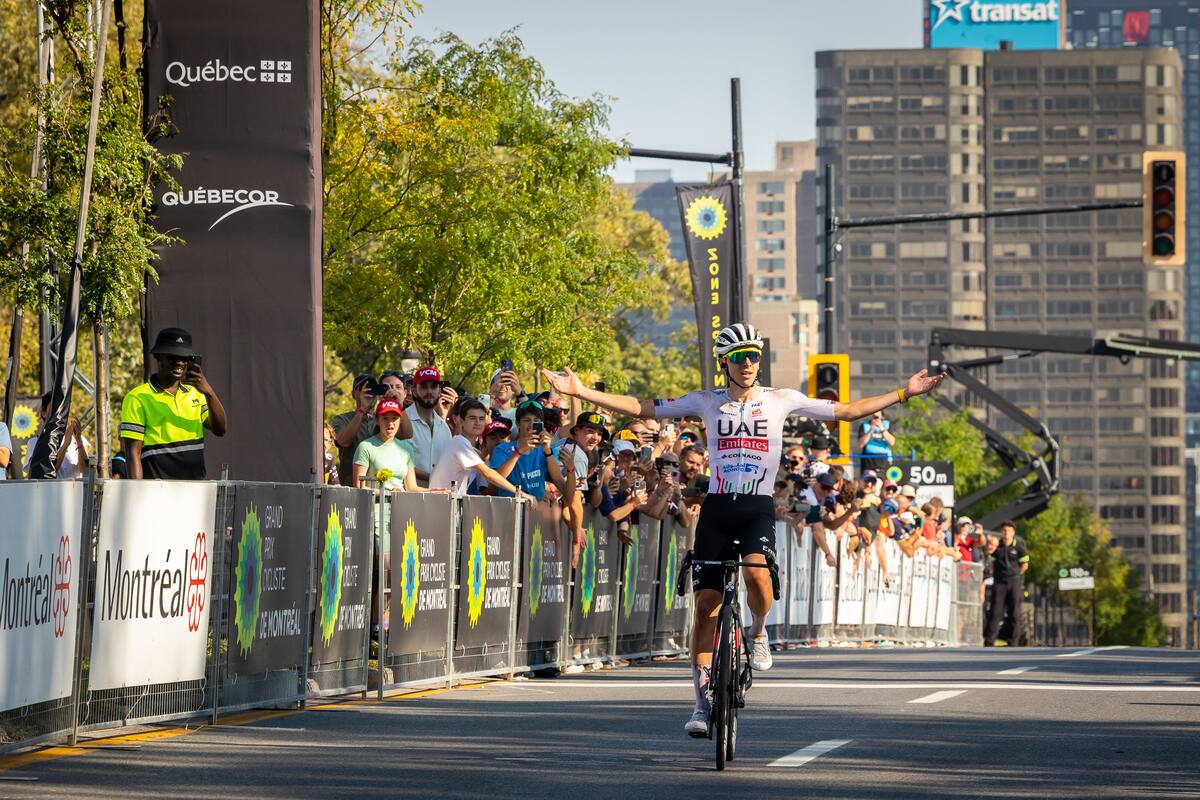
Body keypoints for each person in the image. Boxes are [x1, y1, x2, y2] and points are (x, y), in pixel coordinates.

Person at [540, 320, 944, 737]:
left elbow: (846, 411)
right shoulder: (706, 401)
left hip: (756, 507)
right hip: (718, 507)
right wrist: (581, 391)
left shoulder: (780, 399)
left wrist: (903, 393)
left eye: (754, 356)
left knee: (756, 574)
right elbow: (643, 407)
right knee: (706, 607)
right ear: (724, 363)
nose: (748, 363)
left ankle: (758, 630)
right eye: (739, 357)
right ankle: (701, 706)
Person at [119, 327, 228, 479]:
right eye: (173, 356)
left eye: (184, 358)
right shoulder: (137, 398)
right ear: (158, 356)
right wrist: (137, 491)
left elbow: (220, 430)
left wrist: (209, 392)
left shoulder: (196, 392)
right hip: (157, 489)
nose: (180, 362)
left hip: (196, 488)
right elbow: (133, 454)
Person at [429, 398, 528, 499]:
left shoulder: (467, 448)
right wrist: (520, 493)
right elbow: (488, 474)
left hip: (446, 503)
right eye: (472, 418)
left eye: (481, 419)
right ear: (461, 421)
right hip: (440, 503)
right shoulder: (459, 443)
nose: (477, 423)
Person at [488, 401, 563, 500]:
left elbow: (558, 480)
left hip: (537, 507)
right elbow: (496, 479)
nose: (531, 424)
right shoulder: (502, 449)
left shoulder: (545, 450)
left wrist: (548, 451)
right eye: (527, 420)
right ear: (518, 424)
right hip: (511, 506)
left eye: (536, 420)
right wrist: (518, 452)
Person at [405, 367, 454, 487]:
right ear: (413, 390)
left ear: (439, 390)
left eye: (433, 386)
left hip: (439, 494)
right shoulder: (402, 420)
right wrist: (433, 477)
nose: (429, 391)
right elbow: (399, 463)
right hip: (408, 495)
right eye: (423, 386)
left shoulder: (444, 427)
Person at [23, 391, 90, 480]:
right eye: (54, 407)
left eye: (63, 407)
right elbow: (45, 473)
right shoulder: (34, 442)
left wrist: (79, 441)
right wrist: (65, 445)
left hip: (75, 489)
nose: (60, 411)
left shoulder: (80, 439)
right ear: (44, 413)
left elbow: (85, 470)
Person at [985, 520, 1029, 647]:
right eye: (1004, 530)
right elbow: (992, 563)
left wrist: (1015, 575)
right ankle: (989, 641)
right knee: (995, 611)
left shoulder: (1019, 547)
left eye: (1009, 531)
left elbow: (1025, 565)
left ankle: (1014, 641)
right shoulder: (997, 547)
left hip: (1014, 581)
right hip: (1000, 582)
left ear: (1013, 532)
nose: (1006, 533)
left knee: (1014, 612)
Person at [332, 374, 380, 486]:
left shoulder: (384, 420)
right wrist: (362, 409)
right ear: (353, 393)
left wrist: (393, 403)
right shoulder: (341, 419)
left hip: (379, 486)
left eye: (373, 388)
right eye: (363, 387)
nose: (369, 391)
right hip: (350, 486)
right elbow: (343, 442)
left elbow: (406, 435)